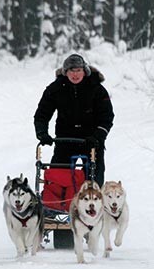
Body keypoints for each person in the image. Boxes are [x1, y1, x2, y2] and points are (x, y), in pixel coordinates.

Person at [34, 54, 114, 187]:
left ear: (84, 71)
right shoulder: (56, 88)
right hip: (65, 139)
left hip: (91, 139)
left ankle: (92, 203)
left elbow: (107, 116)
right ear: (66, 72)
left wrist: (98, 136)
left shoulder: (96, 88)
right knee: (57, 177)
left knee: (94, 178)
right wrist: (42, 133)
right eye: (71, 71)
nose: (75, 74)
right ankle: (56, 204)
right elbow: (42, 114)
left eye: (78, 70)